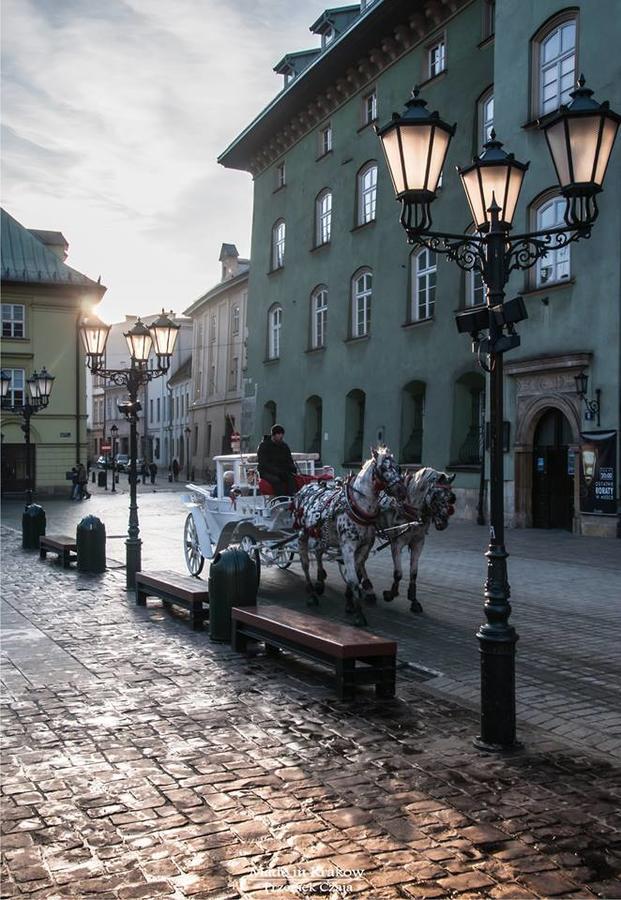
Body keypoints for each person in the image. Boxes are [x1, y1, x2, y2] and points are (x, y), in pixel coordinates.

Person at [257, 424, 298, 496]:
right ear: (273, 435)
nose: (281, 436)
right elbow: (263, 463)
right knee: (277, 481)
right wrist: (277, 471)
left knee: (291, 479)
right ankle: (282, 499)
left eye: (282, 434)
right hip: (266, 472)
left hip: (281, 470)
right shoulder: (264, 446)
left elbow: (289, 460)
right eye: (278, 434)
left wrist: (292, 468)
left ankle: (292, 498)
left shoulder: (284, 446)